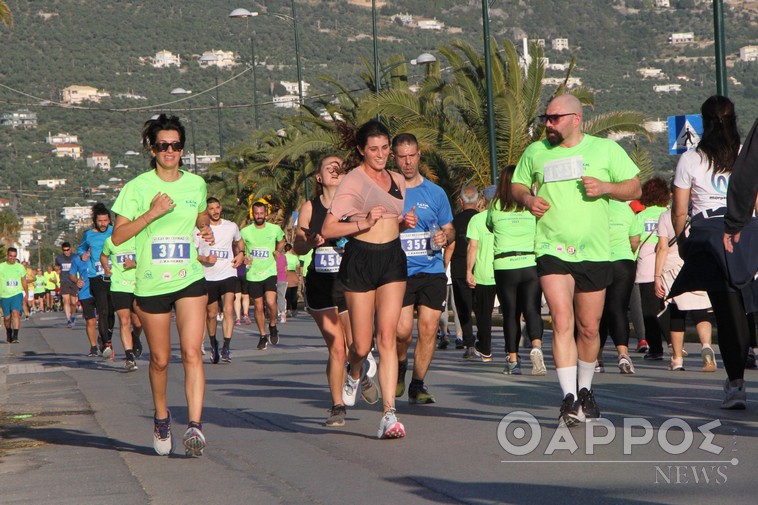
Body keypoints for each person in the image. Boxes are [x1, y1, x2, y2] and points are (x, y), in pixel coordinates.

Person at [511, 93, 641, 426]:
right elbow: (516, 185)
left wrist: (606, 188)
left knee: (588, 327)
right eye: (546, 118)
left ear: (576, 119)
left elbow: (635, 188)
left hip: (595, 251)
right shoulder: (536, 151)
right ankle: (568, 397)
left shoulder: (605, 150)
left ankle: (585, 390)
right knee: (562, 320)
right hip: (551, 248)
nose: (548, 124)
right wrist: (527, 198)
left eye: (554, 118)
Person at [111, 113, 213, 457]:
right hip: (151, 284)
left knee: (192, 352)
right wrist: (151, 214)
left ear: (183, 148)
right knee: (160, 359)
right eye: (163, 145)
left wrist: (204, 227)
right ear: (152, 149)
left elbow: (199, 213)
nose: (170, 151)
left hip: (189, 279)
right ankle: (161, 416)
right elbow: (119, 235)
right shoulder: (136, 188)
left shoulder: (195, 184)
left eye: (176, 145)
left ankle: (195, 426)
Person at [321, 120, 416, 439]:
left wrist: (403, 224)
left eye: (385, 148)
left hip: (392, 258)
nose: (381, 154)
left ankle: (389, 414)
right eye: (373, 149)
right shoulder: (352, 181)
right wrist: (363, 223)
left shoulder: (398, 180)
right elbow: (330, 229)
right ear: (361, 150)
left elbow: (389, 222)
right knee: (361, 344)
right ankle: (355, 372)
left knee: (387, 336)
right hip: (360, 259)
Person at [672, 96, 750, 409]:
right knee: (747, 309)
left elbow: (680, 211)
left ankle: (736, 383)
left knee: (727, 313)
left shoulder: (691, 159)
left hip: (711, 238)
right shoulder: (746, 156)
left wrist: (683, 244)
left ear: (704, 122)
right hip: (745, 234)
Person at [294, 153, 378, 427]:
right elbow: (298, 247)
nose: (334, 170)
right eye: (328, 167)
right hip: (321, 285)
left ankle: (357, 374)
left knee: (358, 346)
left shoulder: (355, 206)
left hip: (350, 283)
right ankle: (337, 407)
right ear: (319, 177)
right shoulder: (310, 207)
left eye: (339, 167)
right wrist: (311, 240)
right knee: (337, 348)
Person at [393, 133, 454, 404]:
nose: (407, 161)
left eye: (411, 155)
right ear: (394, 158)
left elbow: (450, 228)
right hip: (399, 272)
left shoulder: (435, 192)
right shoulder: (388, 191)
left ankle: (417, 385)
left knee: (429, 328)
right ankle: (399, 368)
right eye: (402, 156)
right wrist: (399, 225)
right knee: (402, 331)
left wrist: (445, 237)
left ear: (419, 155)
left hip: (432, 269)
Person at [488, 165, 545, 375]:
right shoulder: (532, 207)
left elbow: (490, 226)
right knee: (532, 309)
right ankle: (537, 346)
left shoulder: (495, 205)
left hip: (504, 265)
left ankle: (513, 359)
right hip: (530, 262)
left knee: (510, 314)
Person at [654, 206, 716, 372]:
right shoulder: (702, 213)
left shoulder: (666, 216)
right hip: (699, 263)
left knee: (676, 313)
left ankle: (677, 358)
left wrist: (657, 276)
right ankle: (706, 345)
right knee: (701, 310)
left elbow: (662, 247)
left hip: (674, 266)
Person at [195, 197, 244, 364]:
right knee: (211, 314)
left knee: (229, 309)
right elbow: (191, 253)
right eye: (211, 208)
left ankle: (226, 347)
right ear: (206, 211)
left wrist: (241, 254)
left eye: (217, 207)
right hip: (208, 276)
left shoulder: (231, 226)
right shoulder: (199, 230)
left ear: (221, 208)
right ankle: (214, 344)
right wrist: (205, 258)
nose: (215, 211)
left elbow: (239, 241)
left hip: (228, 273)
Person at [597, 199, 639, 373]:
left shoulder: (596, 208)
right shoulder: (626, 210)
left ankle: (596, 358)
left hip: (599, 261)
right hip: (624, 262)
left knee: (597, 311)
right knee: (618, 309)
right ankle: (623, 354)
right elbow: (635, 240)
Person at [632, 177, 670, 362]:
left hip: (647, 265)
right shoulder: (669, 213)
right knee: (670, 305)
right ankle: (675, 343)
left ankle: (656, 349)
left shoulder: (640, 216)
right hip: (669, 263)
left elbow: (634, 241)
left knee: (649, 309)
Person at [240, 201, 285, 350]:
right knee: (258, 306)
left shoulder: (275, 229)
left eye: (261, 213)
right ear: (253, 214)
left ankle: (272, 325)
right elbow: (239, 248)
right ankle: (262, 335)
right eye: (256, 213)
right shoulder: (245, 232)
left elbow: (281, 241)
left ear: (266, 213)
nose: (259, 216)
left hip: (269, 271)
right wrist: (243, 257)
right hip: (253, 273)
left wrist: (278, 250)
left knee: (271, 303)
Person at [445, 185, 480, 356]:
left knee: (463, 308)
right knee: (481, 306)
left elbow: (450, 247)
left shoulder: (454, 222)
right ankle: (483, 340)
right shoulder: (483, 220)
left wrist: (443, 267)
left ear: (460, 201)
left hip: (459, 269)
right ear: (478, 201)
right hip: (481, 268)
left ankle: (469, 343)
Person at [77, 203, 115, 358]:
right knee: (103, 310)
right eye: (100, 221)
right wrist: (83, 255)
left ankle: (105, 336)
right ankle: (106, 343)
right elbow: (81, 248)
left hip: (113, 275)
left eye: (106, 220)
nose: (103, 224)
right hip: (96, 276)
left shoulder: (115, 231)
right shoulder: (89, 235)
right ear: (95, 221)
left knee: (112, 312)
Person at [101, 235, 143, 371]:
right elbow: (103, 256)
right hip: (119, 286)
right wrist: (106, 268)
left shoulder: (139, 237)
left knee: (138, 323)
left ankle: (135, 336)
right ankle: (129, 357)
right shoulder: (110, 240)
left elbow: (148, 258)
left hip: (138, 285)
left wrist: (134, 263)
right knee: (124, 321)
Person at [466, 186, 497, 362]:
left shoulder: (477, 220)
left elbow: (473, 247)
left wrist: (469, 271)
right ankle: (511, 352)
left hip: (484, 273)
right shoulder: (506, 218)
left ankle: (485, 349)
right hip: (504, 270)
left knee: (484, 313)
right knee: (510, 312)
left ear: (484, 200)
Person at [69, 251, 99, 356]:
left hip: (101, 291)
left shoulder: (103, 254)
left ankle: (104, 338)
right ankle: (94, 347)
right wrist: (77, 280)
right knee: (91, 321)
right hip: (86, 293)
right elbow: (72, 274)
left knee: (103, 318)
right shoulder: (78, 259)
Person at [1, 247, 28, 343]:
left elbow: (24, 281)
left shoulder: (20, 267)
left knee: (15, 313)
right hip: (4, 295)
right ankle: (9, 332)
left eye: (14, 256)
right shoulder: (1, 267)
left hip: (16, 294)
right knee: (7, 318)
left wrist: (26, 293)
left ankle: (15, 336)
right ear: (7, 256)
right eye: (10, 256)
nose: (12, 258)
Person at [284, 244, 300, 317]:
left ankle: (288, 310)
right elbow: (298, 266)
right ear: (290, 249)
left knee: (287, 294)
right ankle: (294, 309)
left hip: (285, 275)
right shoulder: (295, 257)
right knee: (294, 294)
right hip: (293, 275)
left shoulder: (283, 257)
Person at [275, 245, 288, 323]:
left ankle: (278, 313)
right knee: (281, 296)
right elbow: (286, 269)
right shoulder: (283, 256)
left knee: (274, 297)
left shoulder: (273, 257)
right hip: (283, 278)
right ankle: (282, 313)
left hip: (274, 278)